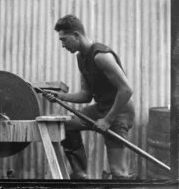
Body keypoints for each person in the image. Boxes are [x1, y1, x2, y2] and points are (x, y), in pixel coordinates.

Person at [43, 14, 135, 180]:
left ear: (76, 35)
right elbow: (86, 95)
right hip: (100, 108)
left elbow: (126, 90)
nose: (62, 45)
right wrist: (60, 96)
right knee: (67, 125)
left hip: (119, 111)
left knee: (117, 171)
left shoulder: (101, 56)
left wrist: (107, 120)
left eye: (64, 40)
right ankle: (80, 173)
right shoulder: (81, 58)